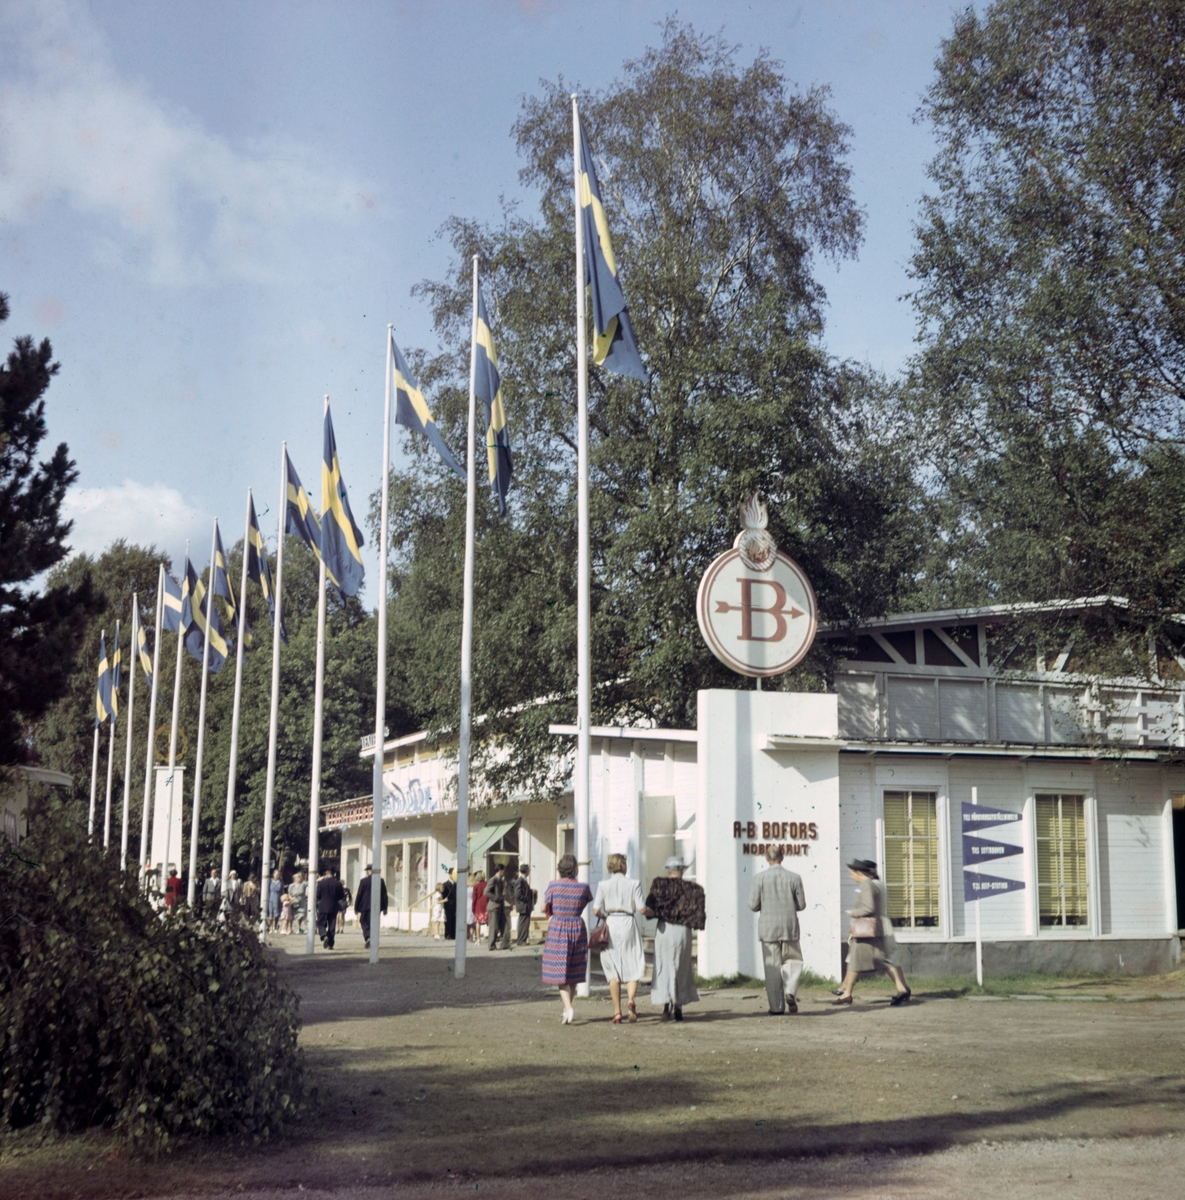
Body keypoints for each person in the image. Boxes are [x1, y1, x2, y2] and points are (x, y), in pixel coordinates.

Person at [832, 859, 911, 1007]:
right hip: (875, 928)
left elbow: (868, 907)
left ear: (859, 872)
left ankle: (846, 992)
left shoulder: (867, 884)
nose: (851, 876)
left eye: (852, 873)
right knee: (882, 958)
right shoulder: (875, 884)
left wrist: (853, 913)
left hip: (868, 929)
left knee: (861, 959)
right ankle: (901, 989)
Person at [643, 856, 704, 1022]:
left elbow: (651, 908)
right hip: (683, 930)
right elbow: (698, 913)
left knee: (664, 966)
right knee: (681, 967)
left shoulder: (659, 886)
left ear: (668, 870)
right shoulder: (693, 889)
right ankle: (679, 1006)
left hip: (665, 929)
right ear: (682, 870)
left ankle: (665, 1006)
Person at [749, 844, 807, 1015]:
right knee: (793, 960)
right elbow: (802, 904)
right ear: (783, 857)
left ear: (767, 859)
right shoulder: (794, 878)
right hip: (789, 926)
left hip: (768, 928)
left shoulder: (759, 878)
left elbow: (753, 905)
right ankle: (790, 990)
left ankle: (777, 1007)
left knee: (772, 968)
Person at [592, 854, 647, 1024]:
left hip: (611, 923)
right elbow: (642, 909)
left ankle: (617, 1011)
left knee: (612, 969)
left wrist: (604, 916)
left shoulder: (603, 885)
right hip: (628, 922)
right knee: (633, 961)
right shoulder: (634, 884)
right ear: (624, 866)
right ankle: (631, 998)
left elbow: (595, 910)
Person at [541, 854, 594, 1024]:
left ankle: (569, 1009)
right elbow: (584, 903)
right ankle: (566, 1010)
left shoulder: (553, 885)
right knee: (573, 971)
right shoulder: (583, 888)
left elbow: (544, 907)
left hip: (558, 927)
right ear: (575, 869)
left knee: (559, 970)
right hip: (577, 927)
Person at [354, 864, 388, 949]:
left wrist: (356, 907)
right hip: (377, 906)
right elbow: (384, 895)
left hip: (365, 906)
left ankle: (368, 937)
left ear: (369, 871)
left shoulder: (363, 881)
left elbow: (359, 895)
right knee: (374, 923)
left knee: (364, 921)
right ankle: (373, 940)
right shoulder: (381, 881)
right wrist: (385, 908)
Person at [315, 866, 346, 949]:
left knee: (321, 923)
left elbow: (318, 896)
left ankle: (324, 935)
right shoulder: (338, 884)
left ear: (326, 873)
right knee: (332, 925)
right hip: (333, 907)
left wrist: (317, 904)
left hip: (323, 906)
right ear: (334, 873)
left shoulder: (321, 883)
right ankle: (330, 943)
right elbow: (341, 897)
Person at [485, 863, 508, 950]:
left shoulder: (500, 880)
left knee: (504, 925)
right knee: (494, 927)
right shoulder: (493, 879)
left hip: (500, 906)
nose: (504, 872)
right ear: (500, 870)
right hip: (494, 906)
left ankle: (505, 944)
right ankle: (491, 945)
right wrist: (496, 898)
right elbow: (486, 892)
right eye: (503, 870)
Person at [515, 864, 536, 946]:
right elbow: (518, 894)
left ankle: (523, 939)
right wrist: (527, 898)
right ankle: (521, 940)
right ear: (526, 871)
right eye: (529, 870)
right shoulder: (520, 880)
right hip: (523, 905)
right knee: (523, 923)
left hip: (525, 906)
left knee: (525, 923)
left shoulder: (523, 880)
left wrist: (531, 892)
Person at [288, 871, 308, 935]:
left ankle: (303, 928)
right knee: (296, 916)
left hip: (302, 901)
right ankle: (299, 929)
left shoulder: (303, 884)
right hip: (294, 902)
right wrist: (291, 899)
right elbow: (289, 894)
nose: (300, 878)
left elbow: (311, 882)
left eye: (300, 877)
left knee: (302, 915)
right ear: (295, 879)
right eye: (298, 877)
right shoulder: (291, 885)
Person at [442, 868, 458, 941]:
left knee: (454, 919)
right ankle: (448, 934)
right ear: (450, 874)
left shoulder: (456, 883)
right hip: (448, 905)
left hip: (455, 904)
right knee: (448, 920)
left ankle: (454, 934)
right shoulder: (445, 884)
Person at [472, 870, 488, 939]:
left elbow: (474, 898)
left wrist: (473, 908)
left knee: (478, 922)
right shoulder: (487, 884)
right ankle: (490, 938)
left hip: (478, 905)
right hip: (487, 904)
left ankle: (478, 939)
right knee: (488, 922)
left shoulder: (476, 886)